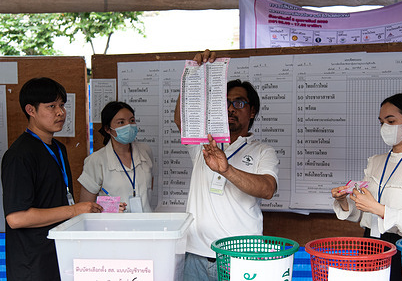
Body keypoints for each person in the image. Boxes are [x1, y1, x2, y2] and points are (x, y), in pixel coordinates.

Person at [174, 50, 279, 281]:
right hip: (196, 255)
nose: (231, 108)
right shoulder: (204, 143)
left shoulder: (263, 150)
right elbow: (181, 119)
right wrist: (194, 73)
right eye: (225, 102)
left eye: (239, 103)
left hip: (242, 257)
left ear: (252, 111)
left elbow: (267, 189)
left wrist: (227, 169)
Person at [331, 93, 402, 281]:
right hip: (370, 246)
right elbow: (361, 215)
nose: (384, 127)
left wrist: (378, 208)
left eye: (391, 121)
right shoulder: (376, 162)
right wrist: (344, 201)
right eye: (381, 122)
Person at [1, 77, 103, 281]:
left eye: (62, 105)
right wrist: (75, 210)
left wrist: (98, 208)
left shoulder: (58, 148)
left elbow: (58, 199)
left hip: (59, 252)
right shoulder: (20, 155)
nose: (60, 112)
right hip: (32, 263)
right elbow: (16, 218)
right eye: (51, 106)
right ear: (31, 110)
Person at [78, 101, 154, 212]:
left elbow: (150, 189)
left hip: (147, 225)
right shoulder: (96, 160)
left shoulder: (145, 151)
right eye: (121, 122)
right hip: (113, 227)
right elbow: (84, 207)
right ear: (107, 129)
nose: (128, 126)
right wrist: (108, 208)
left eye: (132, 121)